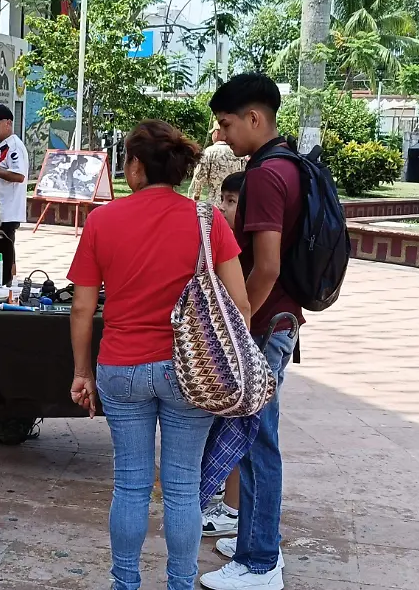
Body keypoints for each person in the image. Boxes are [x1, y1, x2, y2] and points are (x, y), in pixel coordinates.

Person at [67, 120, 252, 590]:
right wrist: (225, 363)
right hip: (190, 372)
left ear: (135, 167)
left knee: (129, 483)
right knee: (182, 488)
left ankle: (125, 583)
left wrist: (81, 371)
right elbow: (241, 305)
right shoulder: (207, 221)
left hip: (122, 367)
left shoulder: (102, 221)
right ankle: (181, 583)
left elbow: (83, 307)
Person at [200, 73, 303, 590]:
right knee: (255, 436)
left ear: (255, 118)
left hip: (265, 323)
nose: (221, 136)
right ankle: (252, 541)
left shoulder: (263, 176)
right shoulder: (292, 163)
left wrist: (236, 325)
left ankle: (260, 562)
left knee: (259, 440)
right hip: (280, 319)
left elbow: (266, 267)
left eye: (226, 124)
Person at [0, 104, 29, 246]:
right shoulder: (1, 145)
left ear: (8, 123)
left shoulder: (14, 146)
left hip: (7, 213)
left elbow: (19, 176)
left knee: (5, 256)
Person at [191, 120, 248, 205]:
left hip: (215, 207)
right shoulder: (239, 152)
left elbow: (198, 181)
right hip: (235, 206)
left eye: (213, 132)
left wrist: (194, 199)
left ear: (217, 133)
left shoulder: (209, 152)